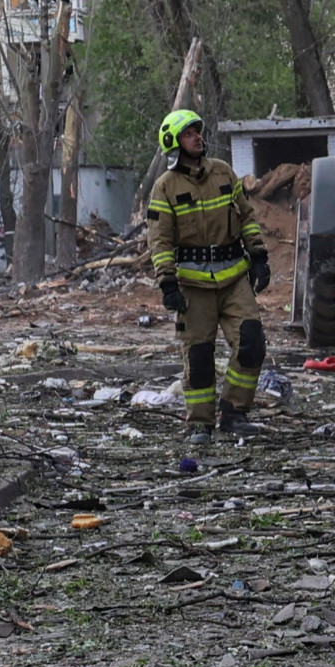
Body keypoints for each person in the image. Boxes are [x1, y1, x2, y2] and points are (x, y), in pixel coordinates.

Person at [147, 109, 269, 445]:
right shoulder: (164, 187)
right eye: (189, 133)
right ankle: (199, 424)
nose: (198, 137)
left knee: (252, 343)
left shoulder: (224, 173)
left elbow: (246, 217)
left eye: (198, 131)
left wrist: (258, 255)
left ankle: (234, 413)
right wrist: (167, 283)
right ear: (173, 142)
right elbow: (160, 240)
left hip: (234, 280)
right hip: (192, 288)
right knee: (199, 357)